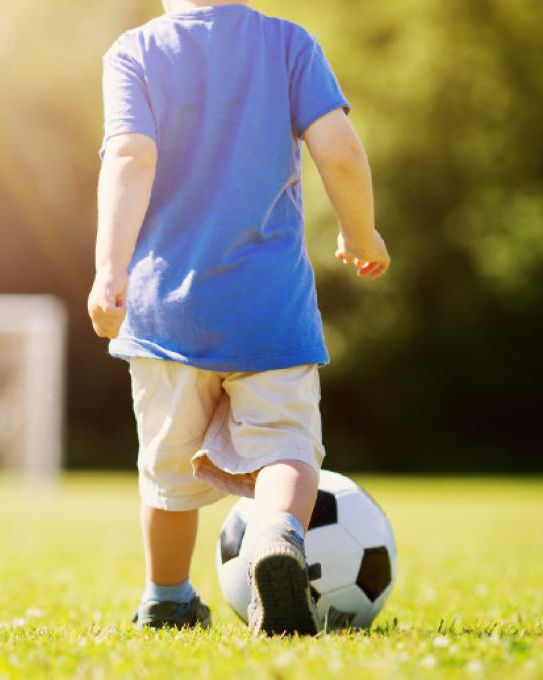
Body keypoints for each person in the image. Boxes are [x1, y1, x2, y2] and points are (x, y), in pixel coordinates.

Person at [87, 0, 390, 635]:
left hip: (167, 311)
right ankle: (278, 536)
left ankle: (166, 598)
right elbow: (339, 149)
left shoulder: (135, 52)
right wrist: (361, 234)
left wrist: (109, 270)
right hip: (269, 309)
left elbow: (129, 158)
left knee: (167, 474)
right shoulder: (288, 45)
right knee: (285, 447)